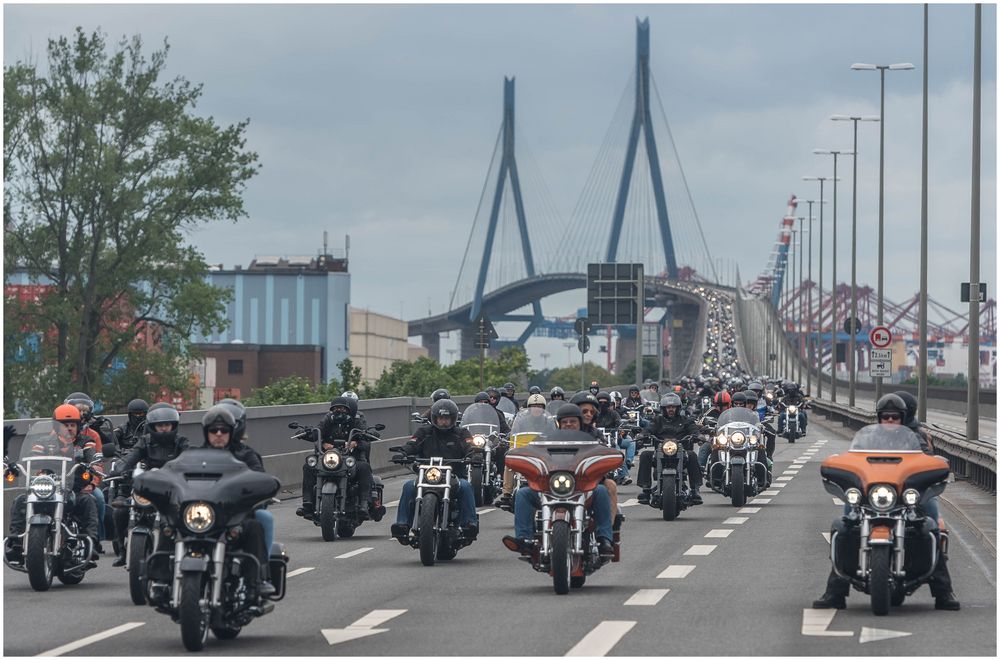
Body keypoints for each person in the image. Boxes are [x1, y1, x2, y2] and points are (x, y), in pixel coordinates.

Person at [812, 393, 959, 611]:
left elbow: (927, 461)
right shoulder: (869, 439)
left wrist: (931, 470)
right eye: (886, 417)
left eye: (894, 417)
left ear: (903, 417)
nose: (890, 421)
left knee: (931, 523)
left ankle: (943, 591)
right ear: (879, 418)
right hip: (874, 494)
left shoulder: (916, 436)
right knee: (845, 524)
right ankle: (835, 591)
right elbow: (855, 457)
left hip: (908, 495)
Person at [503, 405, 614, 557]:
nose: (568, 424)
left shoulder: (592, 441)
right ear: (559, 424)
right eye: (565, 422)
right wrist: (524, 458)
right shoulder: (547, 439)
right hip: (550, 488)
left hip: (582, 488)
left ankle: (605, 539)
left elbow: (604, 454)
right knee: (523, 493)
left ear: (580, 423)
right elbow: (533, 451)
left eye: (573, 421)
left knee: (601, 491)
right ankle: (524, 540)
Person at [6, 405, 100, 563]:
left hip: (72, 486)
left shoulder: (86, 442)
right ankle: (15, 542)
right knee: (20, 501)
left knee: (88, 501)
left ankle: (91, 543)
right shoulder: (43, 441)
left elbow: (92, 456)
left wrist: (92, 464)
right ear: (57, 427)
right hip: (47, 486)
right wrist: (16, 465)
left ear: (78, 426)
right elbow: (29, 457)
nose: (69, 428)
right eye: (64, 425)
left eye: (72, 425)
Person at [200, 405, 276, 597]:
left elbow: (260, 478)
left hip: (236, 515)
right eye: (213, 430)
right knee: (171, 525)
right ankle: (160, 577)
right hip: (203, 514)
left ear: (232, 432)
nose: (218, 434)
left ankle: (257, 579)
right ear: (206, 432)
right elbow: (175, 473)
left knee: (256, 525)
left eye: (224, 430)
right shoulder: (195, 455)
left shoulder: (246, 455)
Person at [108, 402, 189, 566]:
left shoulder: (181, 443)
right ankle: (123, 552)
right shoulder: (145, 442)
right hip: (148, 488)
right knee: (120, 512)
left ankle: (183, 550)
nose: (164, 428)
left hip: (171, 490)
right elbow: (132, 456)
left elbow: (190, 459)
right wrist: (119, 469)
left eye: (167, 425)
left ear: (173, 425)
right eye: (160, 425)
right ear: (153, 426)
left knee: (182, 515)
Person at [390, 399, 478, 543]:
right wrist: (403, 453)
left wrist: (474, 455)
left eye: (447, 418)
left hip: (454, 476)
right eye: (441, 418)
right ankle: (402, 524)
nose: (443, 422)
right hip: (427, 476)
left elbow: (470, 447)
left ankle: (469, 524)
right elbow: (412, 444)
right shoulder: (424, 432)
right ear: (434, 418)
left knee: (466, 487)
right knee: (408, 487)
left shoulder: (461, 433)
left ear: (453, 419)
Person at [298, 397, 381, 521]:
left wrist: (355, 443)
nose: (338, 411)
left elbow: (366, 439)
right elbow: (318, 432)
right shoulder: (327, 419)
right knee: (309, 466)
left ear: (349, 410)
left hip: (352, 458)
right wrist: (319, 442)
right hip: (329, 458)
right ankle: (308, 503)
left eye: (342, 408)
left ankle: (364, 504)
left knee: (364, 467)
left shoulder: (356, 421)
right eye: (335, 408)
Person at [638, 393, 703, 504]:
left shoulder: (685, 420)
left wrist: (698, 435)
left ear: (678, 408)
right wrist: (643, 435)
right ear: (664, 409)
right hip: (660, 452)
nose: (671, 410)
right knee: (645, 455)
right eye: (668, 407)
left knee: (692, 455)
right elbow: (649, 429)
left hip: (681, 452)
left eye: (673, 407)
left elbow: (693, 429)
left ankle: (694, 490)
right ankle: (646, 490)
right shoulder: (657, 420)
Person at [63, 392, 108, 550]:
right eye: (77, 409)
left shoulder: (92, 436)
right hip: (59, 481)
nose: (81, 413)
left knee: (99, 498)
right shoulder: (52, 436)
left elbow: (97, 462)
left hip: (83, 480)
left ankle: (96, 537)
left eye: (84, 410)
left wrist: (93, 484)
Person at [699, 391, 732, 469]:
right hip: (715, 439)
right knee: (704, 448)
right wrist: (704, 428)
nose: (720, 407)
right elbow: (701, 422)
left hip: (732, 439)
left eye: (724, 405)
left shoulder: (733, 411)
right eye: (718, 405)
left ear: (729, 404)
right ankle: (700, 469)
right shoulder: (711, 411)